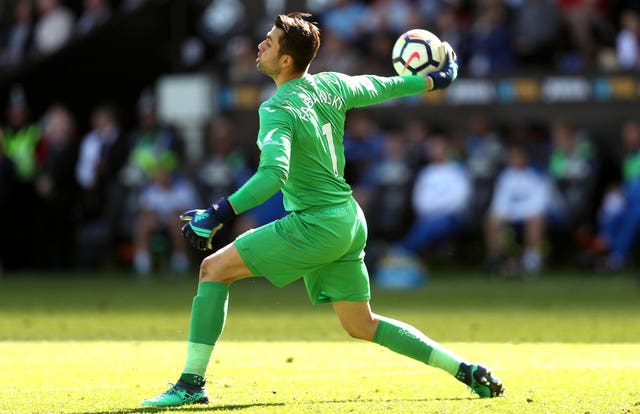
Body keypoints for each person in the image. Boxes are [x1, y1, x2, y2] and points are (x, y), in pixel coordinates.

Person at [141, 12, 504, 407]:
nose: (261, 44)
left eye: (269, 41)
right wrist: (434, 80)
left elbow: (272, 175)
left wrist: (216, 213)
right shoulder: (330, 84)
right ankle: (464, 369)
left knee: (213, 270)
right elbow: (380, 86)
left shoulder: (276, 108)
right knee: (362, 324)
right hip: (348, 220)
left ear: (284, 61)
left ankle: (191, 384)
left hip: (315, 224)